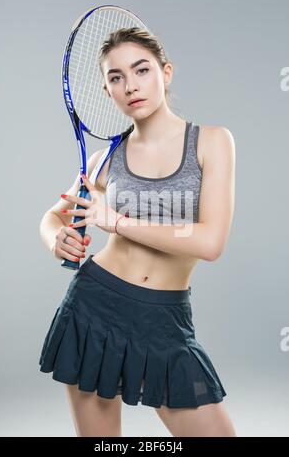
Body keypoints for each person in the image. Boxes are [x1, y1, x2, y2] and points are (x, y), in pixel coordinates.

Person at [38, 27, 237, 437]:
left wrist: (119, 222)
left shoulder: (212, 143)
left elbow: (209, 242)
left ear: (166, 73)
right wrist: (55, 237)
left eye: (141, 70)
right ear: (108, 90)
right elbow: (53, 216)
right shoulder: (104, 159)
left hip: (164, 318)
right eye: (115, 77)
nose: (130, 86)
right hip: (94, 309)